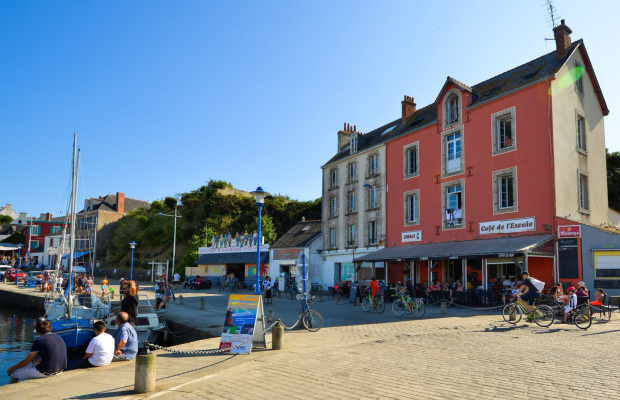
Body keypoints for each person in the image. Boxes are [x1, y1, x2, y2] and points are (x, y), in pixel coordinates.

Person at [6, 318, 67, 383]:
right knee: (34, 363)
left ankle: (11, 391)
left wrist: (11, 369)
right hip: (59, 370)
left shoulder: (39, 341)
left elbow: (26, 362)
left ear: (37, 331)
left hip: (46, 372)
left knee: (14, 373)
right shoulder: (58, 337)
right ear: (50, 328)